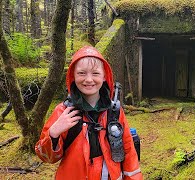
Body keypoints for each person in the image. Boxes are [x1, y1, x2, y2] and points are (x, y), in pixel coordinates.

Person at [35, 46, 142, 180]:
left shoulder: (114, 112)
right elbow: (47, 157)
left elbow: (129, 153)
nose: (89, 79)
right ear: (73, 76)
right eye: (82, 73)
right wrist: (53, 133)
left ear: (104, 76)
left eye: (95, 73)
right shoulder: (63, 112)